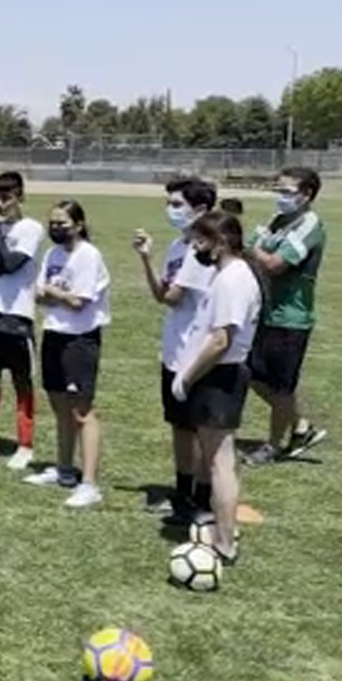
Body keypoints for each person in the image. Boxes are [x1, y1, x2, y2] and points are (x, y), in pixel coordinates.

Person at [170, 211, 262, 565]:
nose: (196, 248)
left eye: (201, 241)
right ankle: (223, 530)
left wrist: (188, 375)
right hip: (217, 376)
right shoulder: (227, 276)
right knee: (216, 459)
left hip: (219, 377)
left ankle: (224, 541)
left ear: (221, 242)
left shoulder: (232, 279)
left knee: (219, 462)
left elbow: (222, 339)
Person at [132, 177, 216, 523]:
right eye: (169, 203)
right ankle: (183, 493)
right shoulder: (178, 246)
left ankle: (202, 498)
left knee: (200, 430)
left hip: (196, 353)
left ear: (201, 209)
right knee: (180, 427)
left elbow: (172, 296)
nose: (170, 210)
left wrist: (150, 262)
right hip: (174, 350)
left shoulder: (201, 251)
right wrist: (147, 260)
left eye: (178, 204)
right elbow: (161, 296)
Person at [24, 200, 111, 509]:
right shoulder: (53, 254)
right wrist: (54, 294)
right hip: (54, 333)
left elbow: (78, 302)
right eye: (53, 223)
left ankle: (89, 483)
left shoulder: (88, 255)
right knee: (60, 406)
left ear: (79, 224)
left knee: (81, 411)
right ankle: (64, 469)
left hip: (80, 339)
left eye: (62, 223)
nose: (56, 228)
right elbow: (38, 294)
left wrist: (54, 293)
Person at [243, 166, 327, 466]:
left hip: (291, 318)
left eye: (287, 191)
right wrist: (256, 250)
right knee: (251, 374)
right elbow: (251, 250)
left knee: (281, 387)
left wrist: (255, 250)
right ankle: (301, 426)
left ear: (306, 194)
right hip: (266, 311)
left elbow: (274, 264)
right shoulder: (279, 220)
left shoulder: (309, 225)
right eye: (278, 189)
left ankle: (273, 445)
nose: (280, 196)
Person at [0, 172, 45, 470]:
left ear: (20, 197)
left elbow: (13, 264)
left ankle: (25, 444)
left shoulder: (31, 228)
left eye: (7, 197)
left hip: (18, 316)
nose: (1, 204)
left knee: (22, 382)